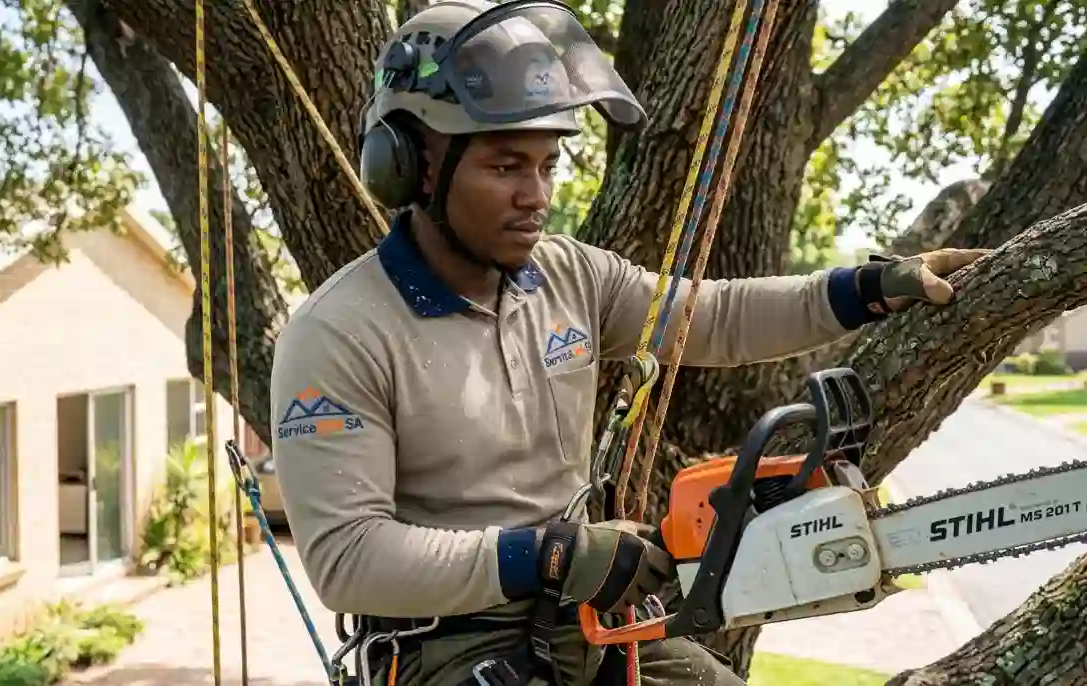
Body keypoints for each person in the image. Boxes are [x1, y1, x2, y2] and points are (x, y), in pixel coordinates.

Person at [269, 1, 990, 684]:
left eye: (547, 165)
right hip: (449, 649)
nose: (536, 196)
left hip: (586, 619)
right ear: (413, 166)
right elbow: (348, 559)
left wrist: (868, 288)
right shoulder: (339, 332)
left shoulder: (569, 276)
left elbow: (716, 315)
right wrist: (550, 556)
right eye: (505, 166)